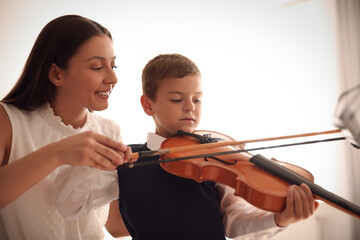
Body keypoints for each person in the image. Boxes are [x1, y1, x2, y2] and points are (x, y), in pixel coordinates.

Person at [50, 54, 318, 240]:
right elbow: (67, 205)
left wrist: (279, 219)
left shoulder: (216, 158)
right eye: (177, 99)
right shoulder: (127, 159)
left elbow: (235, 221)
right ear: (148, 104)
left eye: (197, 100)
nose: (190, 107)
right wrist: (94, 161)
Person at [0, 15, 132, 240]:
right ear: (56, 74)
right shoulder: (8, 120)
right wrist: (58, 153)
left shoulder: (109, 131)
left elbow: (114, 225)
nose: (113, 78)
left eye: (113, 65)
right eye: (98, 67)